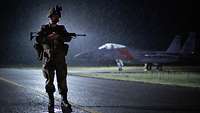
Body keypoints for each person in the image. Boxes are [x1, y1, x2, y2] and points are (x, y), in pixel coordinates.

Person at [34, 5, 72, 113]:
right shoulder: (44, 28)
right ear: (50, 17)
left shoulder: (61, 28)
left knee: (62, 80)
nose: (57, 18)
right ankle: (51, 101)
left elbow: (68, 37)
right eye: (55, 16)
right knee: (49, 81)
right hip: (48, 59)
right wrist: (48, 37)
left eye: (58, 16)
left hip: (60, 59)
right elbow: (38, 39)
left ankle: (64, 100)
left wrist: (59, 36)